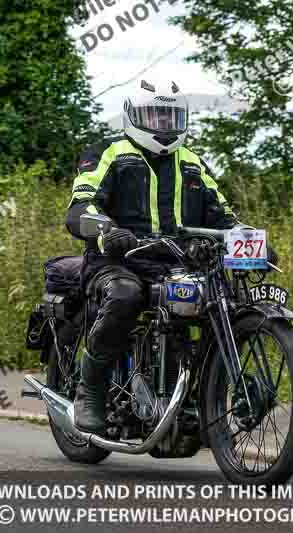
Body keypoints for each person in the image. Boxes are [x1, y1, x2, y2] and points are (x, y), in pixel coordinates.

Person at [65, 79, 273, 434]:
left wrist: (249, 238)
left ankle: (201, 396)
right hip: (117, 262)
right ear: (133, 116)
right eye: (155, 116)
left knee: (226, 301)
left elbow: (223, 216)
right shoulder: (107, 153)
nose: (163, 125)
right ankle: (91, 391)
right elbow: (80, 206)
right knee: (125, 295)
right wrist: (106, 230)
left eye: (170, 116)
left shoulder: (193, 163)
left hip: (177, 264)